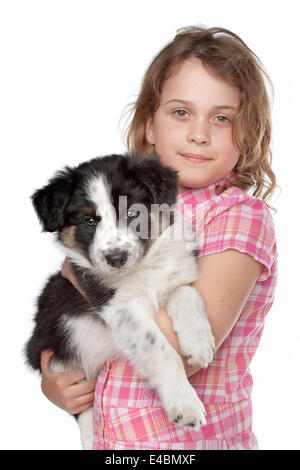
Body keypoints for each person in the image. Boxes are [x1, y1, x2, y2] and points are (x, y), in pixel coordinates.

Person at [40, 26, 278, 450]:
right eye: (181, 112)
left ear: (248, 135)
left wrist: (81, 275)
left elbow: (183, 350)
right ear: (150, 125)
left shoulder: (238, 216)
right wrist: (55, 384)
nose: (199, 134)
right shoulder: (130, 196)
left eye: (222, 118)